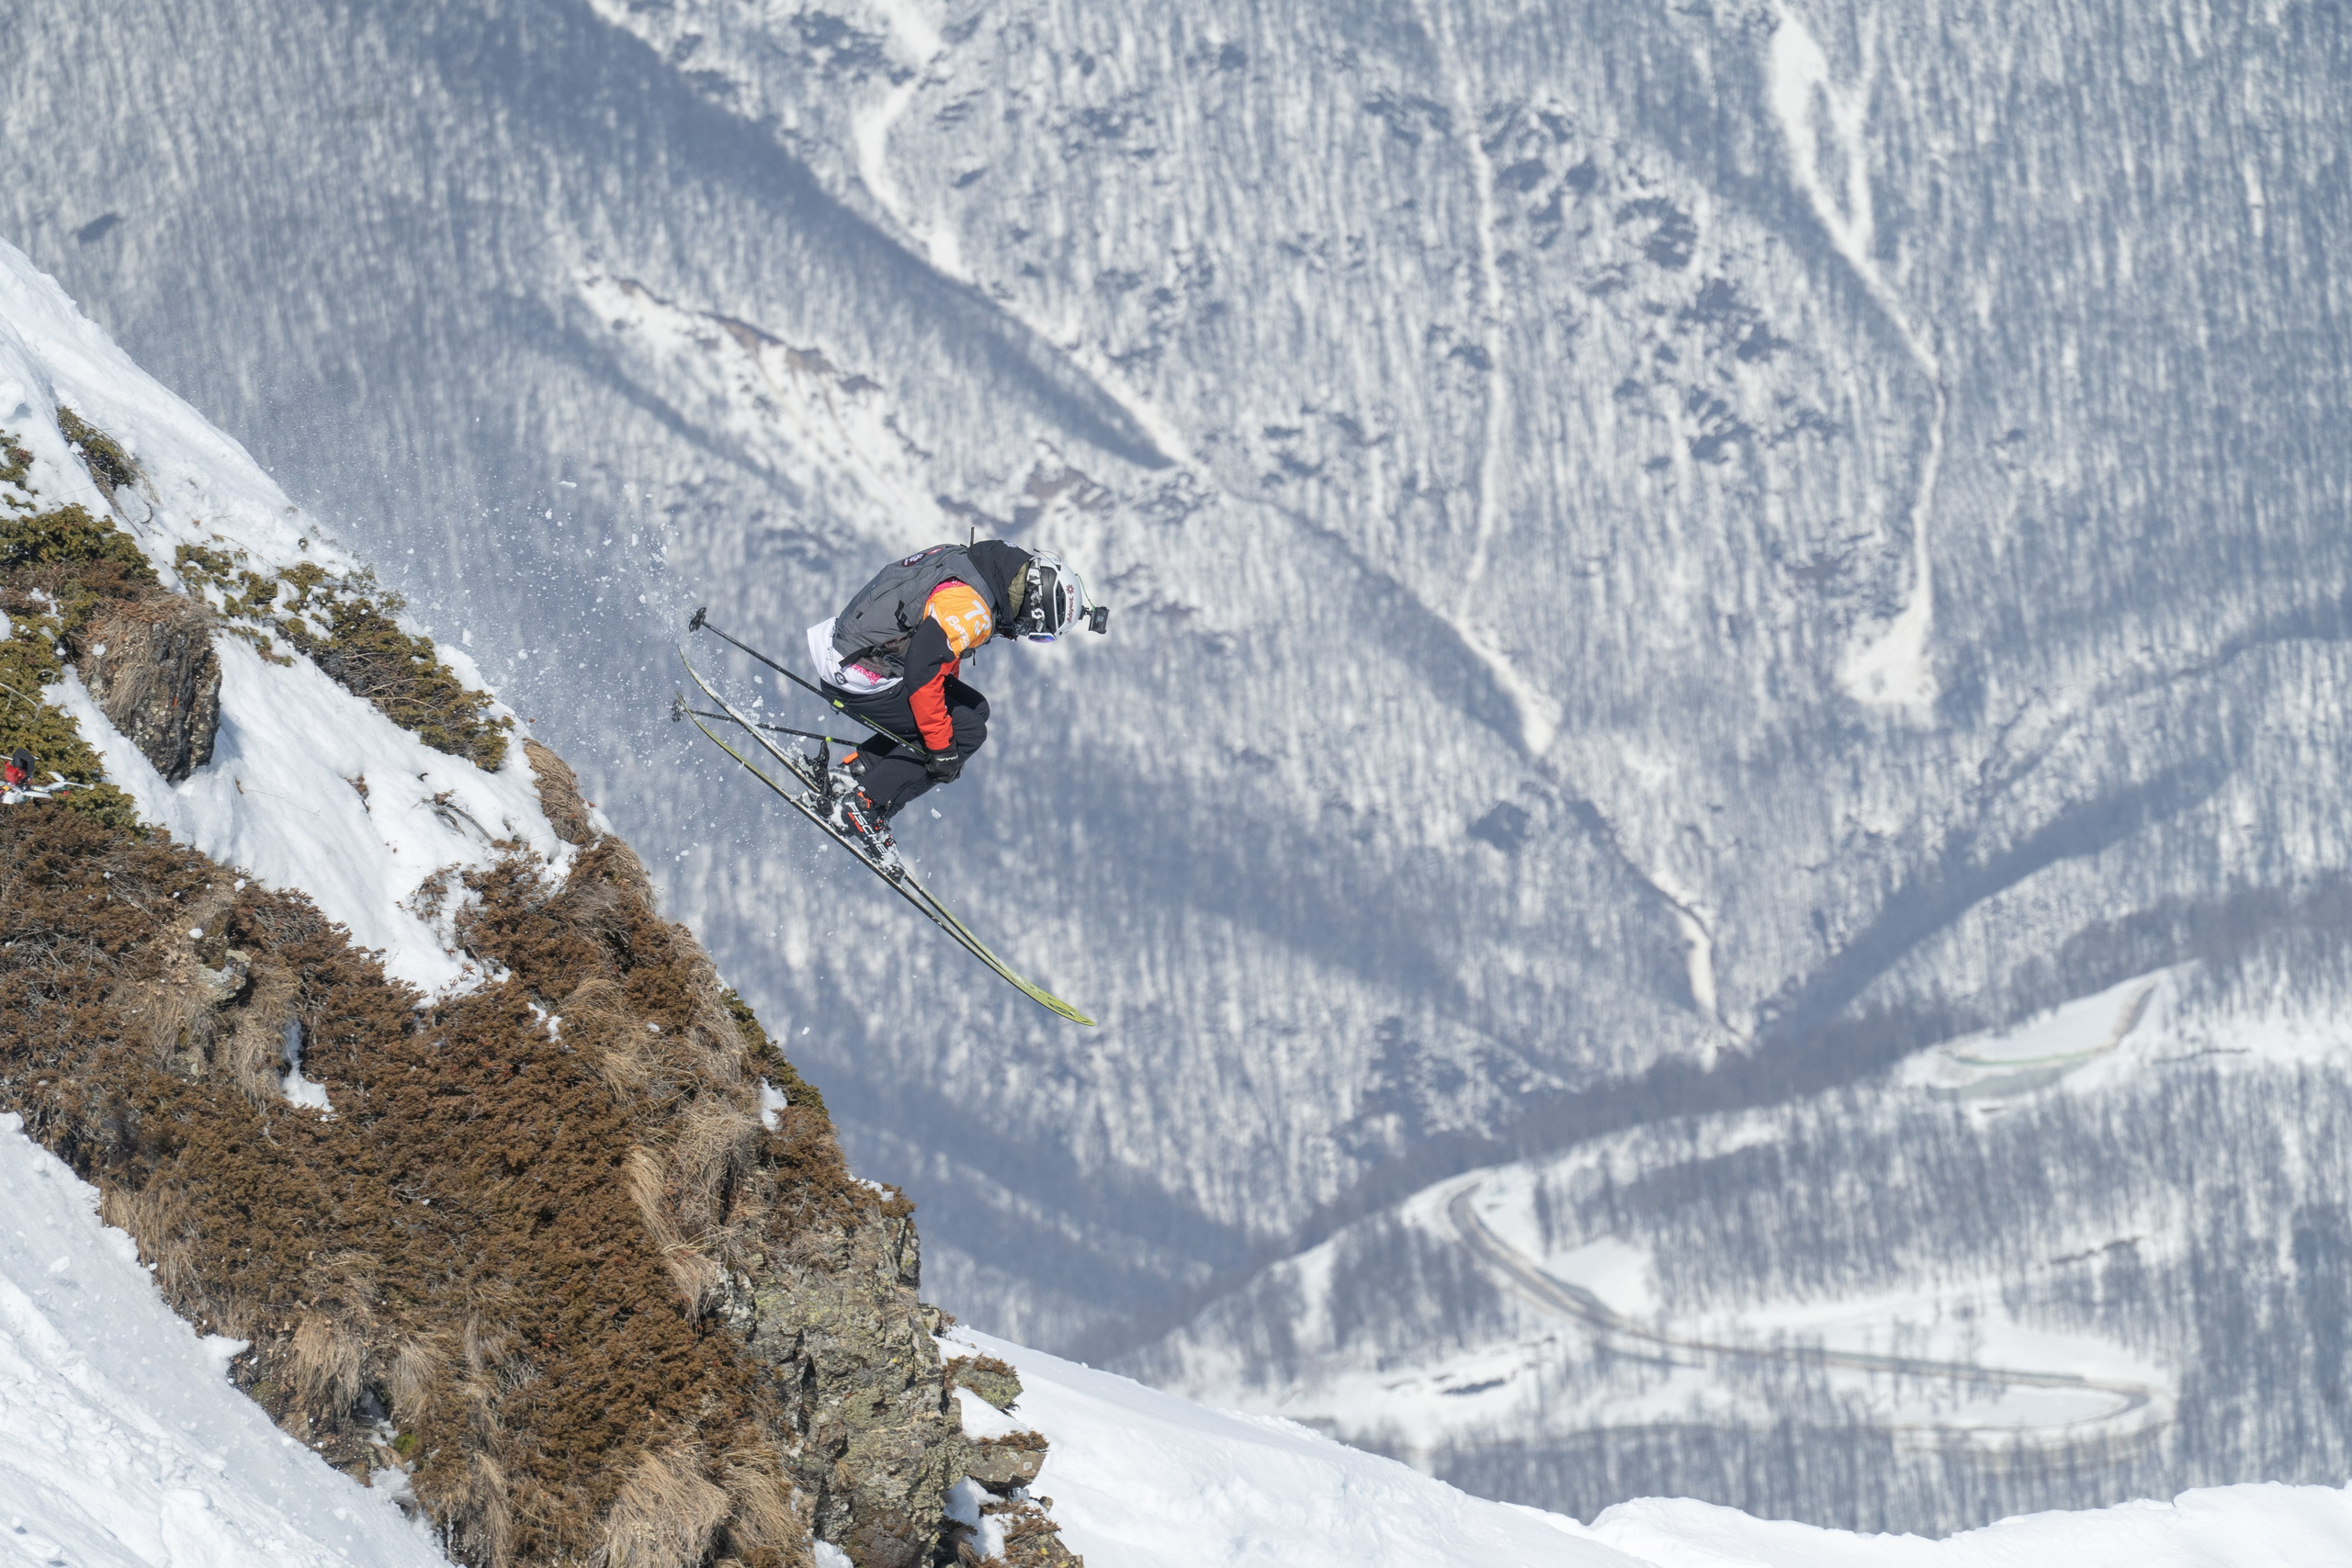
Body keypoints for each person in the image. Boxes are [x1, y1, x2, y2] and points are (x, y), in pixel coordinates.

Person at [805, 539, 1105, 848]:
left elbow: (938, 655)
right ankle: (866, 805)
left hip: (850, 649)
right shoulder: (974, 607)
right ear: (1035, 605)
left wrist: (944, 739)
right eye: (1038, 632)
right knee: (967, 732)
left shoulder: (972, 565)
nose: (1026, 633)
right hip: (860, 671)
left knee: (975, 709)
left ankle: (858, 771)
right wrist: (943, 750)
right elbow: (923, 672)